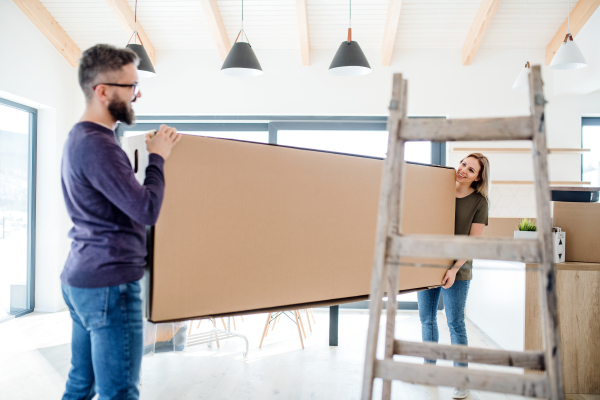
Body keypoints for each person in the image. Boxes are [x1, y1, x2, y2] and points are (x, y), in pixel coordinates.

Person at [60, 44, 181, 399]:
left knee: (81, 385)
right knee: (120, 392)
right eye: (130, 86)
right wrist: (158, 158)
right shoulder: (99, 145)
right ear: (103, 91)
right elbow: (146, 210)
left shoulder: (79, 137)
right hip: (109, 285)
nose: (137, 93)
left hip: (83, 278)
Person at [416, 153, 490, 400]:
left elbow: (472, 243)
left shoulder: (480, 203)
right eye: (463, 164)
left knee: (455, 324)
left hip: (458, 270)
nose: (463, 170)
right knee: (427, 319)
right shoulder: (438, 190)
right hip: (430, 264)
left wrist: (454, 269)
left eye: (471, 170)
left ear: (478, 178)